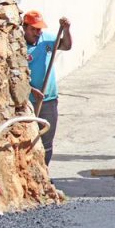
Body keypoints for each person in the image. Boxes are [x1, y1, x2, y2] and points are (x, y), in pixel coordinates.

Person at [23, 10, 72, 165]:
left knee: (47, 141)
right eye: (33, 29)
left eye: (39, 29)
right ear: (24, 27)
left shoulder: (48, 39)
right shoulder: (19, 46)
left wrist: (66, 30)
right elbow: (14, 74)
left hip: (49, 99)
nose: (38, 33)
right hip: (28, 102)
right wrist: (30, 89)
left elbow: (66, 45)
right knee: (28, 139)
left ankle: (45, 173)